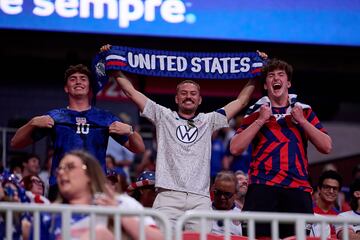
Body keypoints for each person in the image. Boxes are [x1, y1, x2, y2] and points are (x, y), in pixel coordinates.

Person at [101, 44, 266, 231]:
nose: (189, 97)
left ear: (200, 99)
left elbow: (241, 101)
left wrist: (256, 72)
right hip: (168, 197)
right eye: (184, 93)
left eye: (193, 94)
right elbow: (131, 92)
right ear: (177, 99)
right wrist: (114, 65)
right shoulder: (163, 116)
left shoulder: (209, 120)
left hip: (200, 199)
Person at [10, 64, 145, 201]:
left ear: (89, 87)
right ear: (66, 88)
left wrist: (130, 131)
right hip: (61, 183)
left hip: (95, 185)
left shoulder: (105, 117)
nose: (78, 81)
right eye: (73, 79)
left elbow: (139, 149)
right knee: (60, 223)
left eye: (83, 79)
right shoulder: (55, 116)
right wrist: (31, 123)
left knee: (93, 223)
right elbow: (15, 143)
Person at [230, 58, 332, 238]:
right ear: (265, 85)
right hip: (262, 188)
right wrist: (260, 120)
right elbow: (235, 148)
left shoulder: (304, 111)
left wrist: (302, 121)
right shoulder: (256, 111)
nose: (276, 78)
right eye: (271, 75)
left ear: (288, 82)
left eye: (280, 75)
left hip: (297, 189)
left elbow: (326, 146)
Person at [35, 150, 163, 240]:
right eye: (60, 169)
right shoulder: (49, 213)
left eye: (70, 167)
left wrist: (119, 214)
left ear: (89, 174)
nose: (62, 173)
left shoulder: (121, 203)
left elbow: (159, 238)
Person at [211, 171, 242, 236]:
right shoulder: (202, 210)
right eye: (218, 192)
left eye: (227, 194)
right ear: (213, 189)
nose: (222, 197)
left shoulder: (243, 216)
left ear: (235, 194)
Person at [313, 170, 342, 238]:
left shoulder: (340, 216)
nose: (331, 191)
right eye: (327, 187)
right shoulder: (308, 210)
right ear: (319, 189)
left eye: (335, 188)